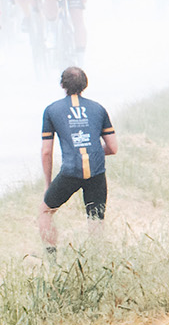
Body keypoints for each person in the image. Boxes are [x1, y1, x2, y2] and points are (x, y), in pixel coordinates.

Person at [37, 67, 117, 250]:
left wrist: (48, 185)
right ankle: (97, 264)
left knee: (45, 211)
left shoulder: (51, 110)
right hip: (97, 172)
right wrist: (92, 151)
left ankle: (52, 262)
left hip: (70, 171)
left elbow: (46, 152)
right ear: (85, 84)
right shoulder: (98, 109)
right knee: (95, 220)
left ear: (62, 85)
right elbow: (113, 148)